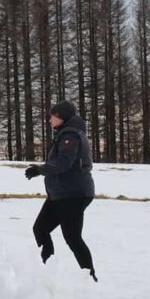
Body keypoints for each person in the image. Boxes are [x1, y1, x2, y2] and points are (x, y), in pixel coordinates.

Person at [24, 101, 97, 282]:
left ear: (61, 117)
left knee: (72, 237)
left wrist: (39, 169)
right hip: (60, 194)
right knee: (41, 228)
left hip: (73, 194)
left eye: (53, 116)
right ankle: (47, 271)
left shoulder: (70, 135)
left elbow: (64, 162)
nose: (50, 120)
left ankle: (90, 279)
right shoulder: (66, 134)